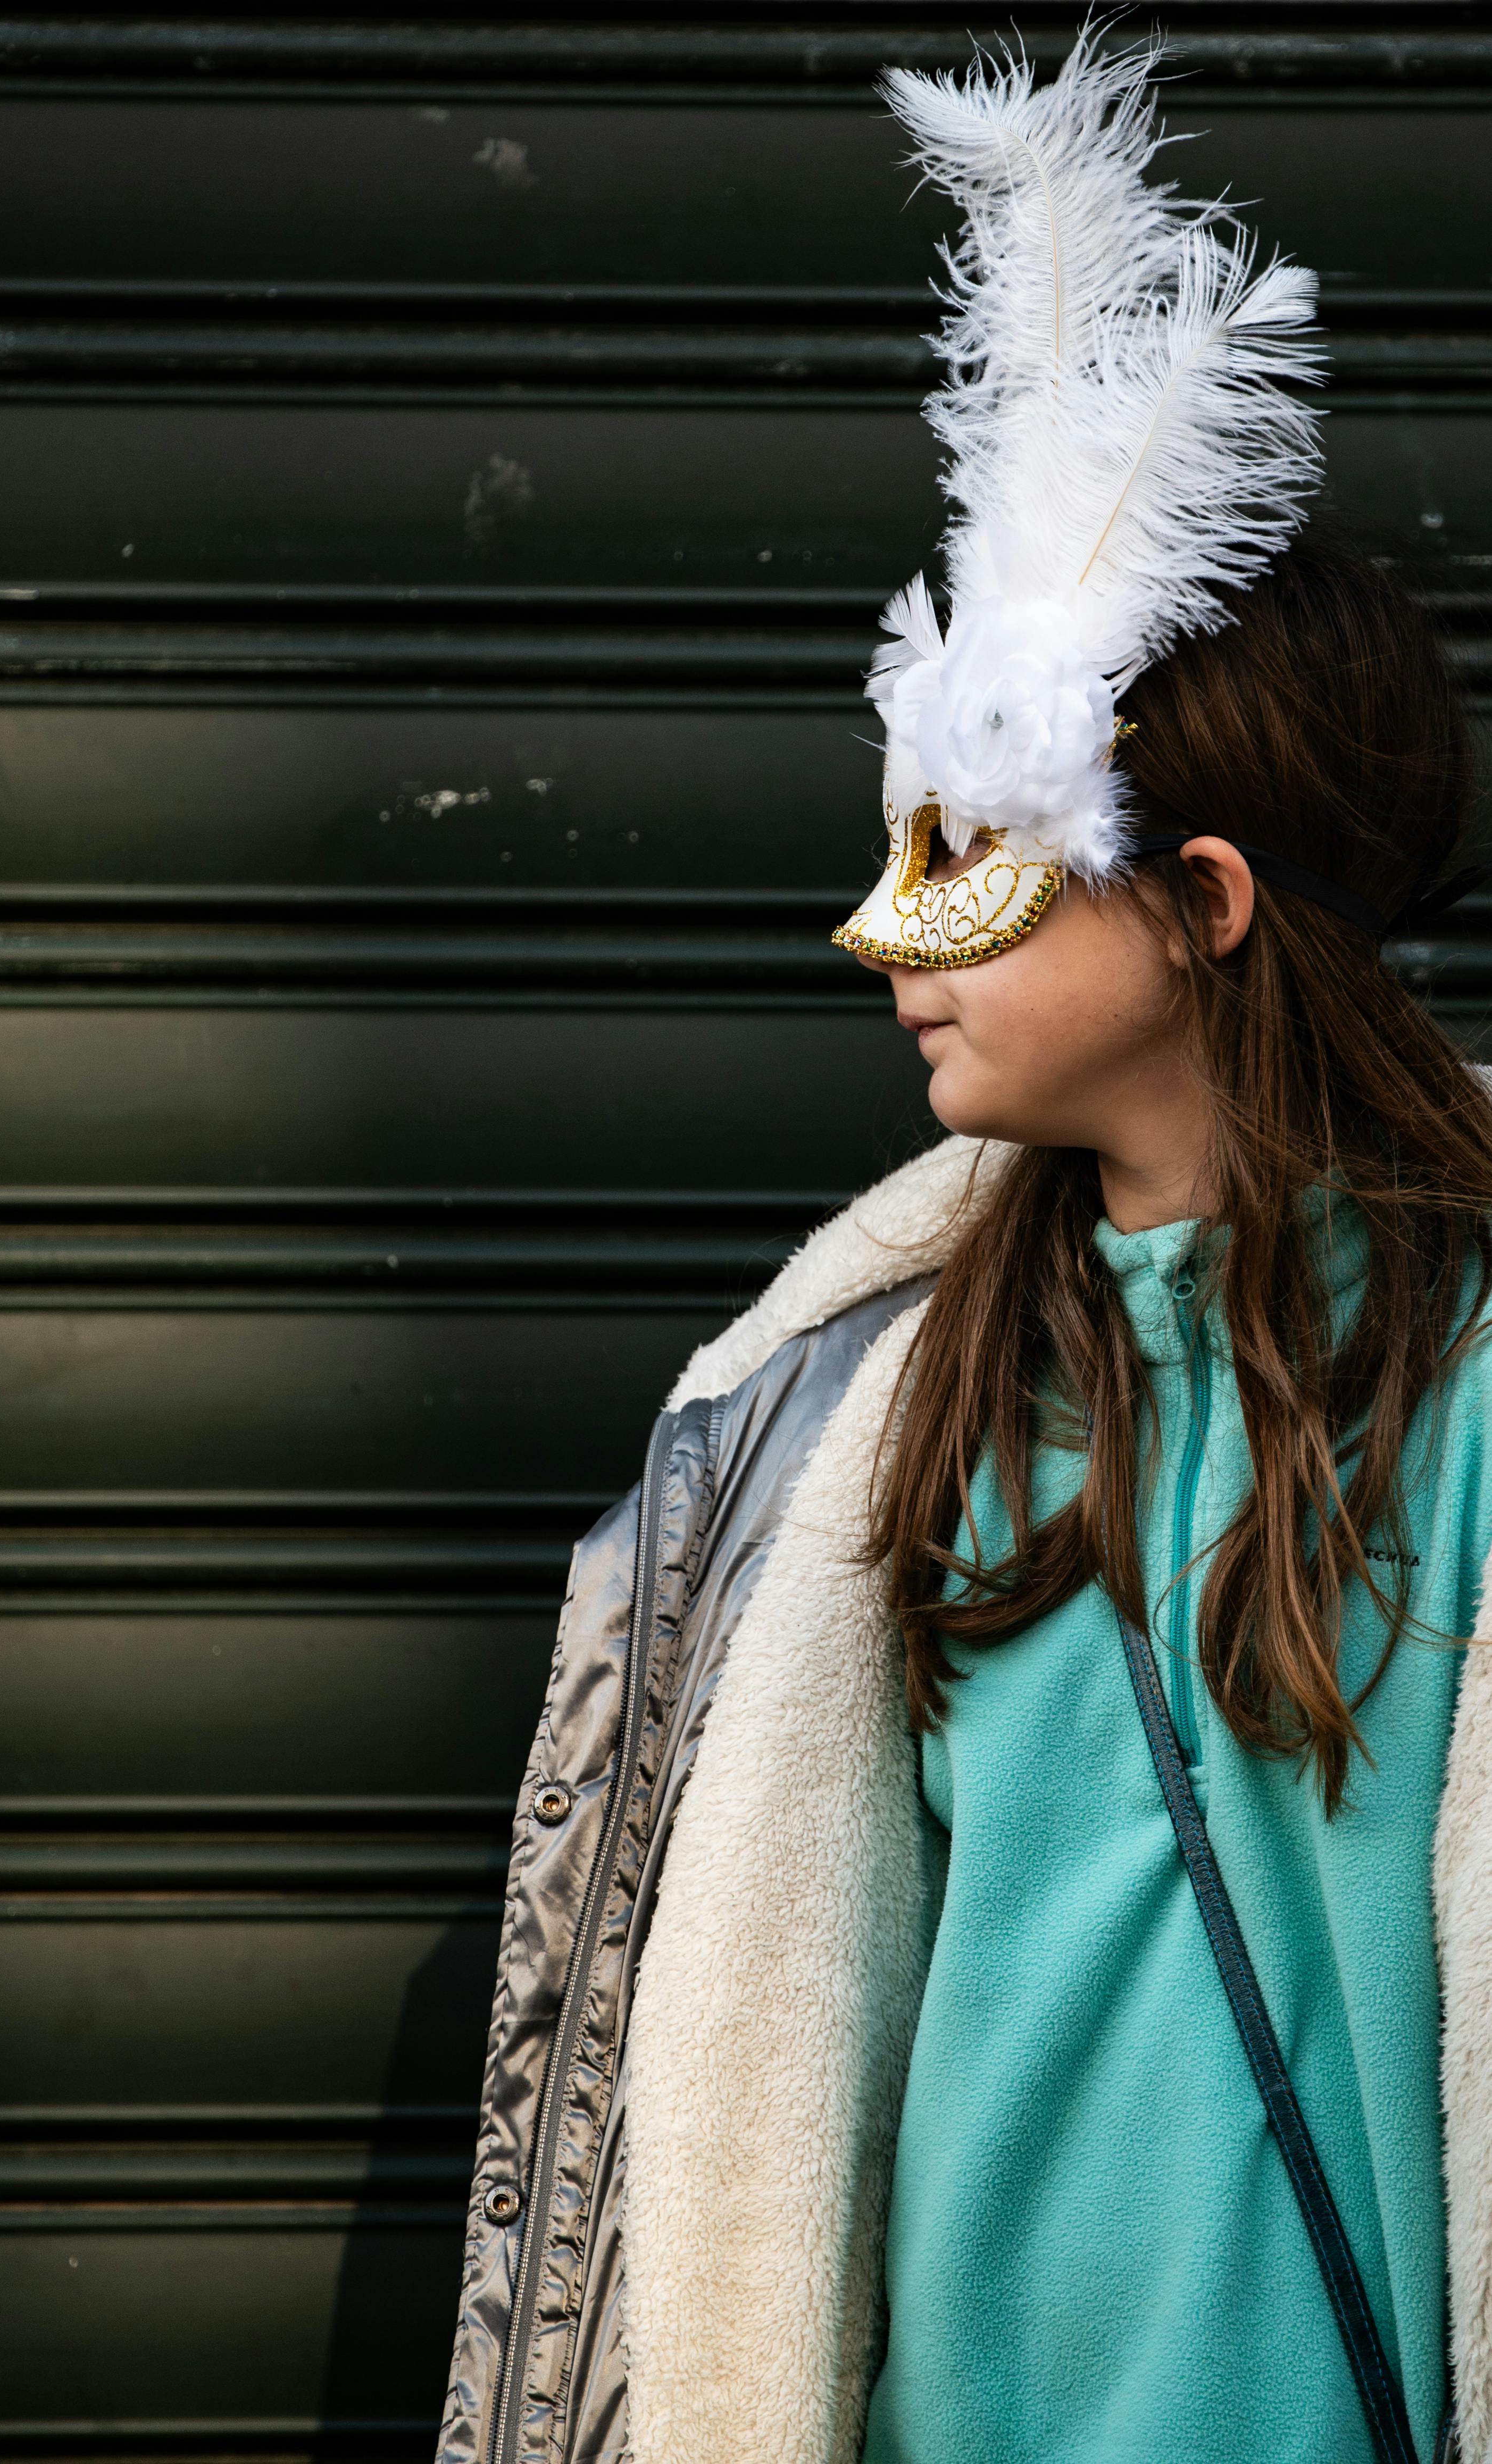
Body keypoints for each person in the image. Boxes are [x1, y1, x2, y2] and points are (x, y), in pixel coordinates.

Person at [436, 33, 1492, 2464]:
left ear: (1206, 903)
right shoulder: (859, 1413)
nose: (880, 934)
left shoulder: (1465, 1378)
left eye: (972, 863)